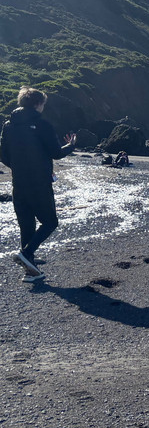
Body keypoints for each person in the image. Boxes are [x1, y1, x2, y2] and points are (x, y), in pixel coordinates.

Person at [0, 86, 77, 282]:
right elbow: (56, 153)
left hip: (19, 182)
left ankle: (30, 270)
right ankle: (27, 254)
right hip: (39, 183)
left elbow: (3, 154)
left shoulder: (8, 125)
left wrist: (18, 167)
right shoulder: (42, 125)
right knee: (51, 222)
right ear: (37, 104)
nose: (43, 107)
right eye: (43, 103)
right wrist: (71, 146)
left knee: (27, 226)